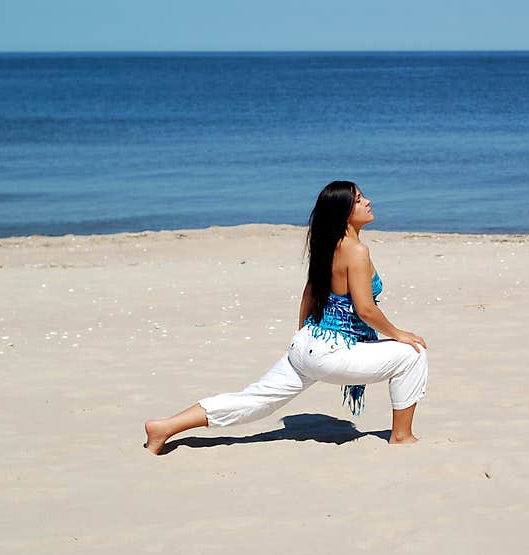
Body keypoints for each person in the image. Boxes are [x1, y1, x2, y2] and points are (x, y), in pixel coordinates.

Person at [143, 181, 428, 454]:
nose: (368, 201)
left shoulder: (327, 245)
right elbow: (366, 310)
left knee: (255, 400)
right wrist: (398, 334)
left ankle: (164, 427)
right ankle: (402, 436)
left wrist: (304, 336)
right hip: (331, 351)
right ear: (344, 213)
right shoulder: (356, 251)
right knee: (412, 354)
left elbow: (309, 294)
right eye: (358, 200)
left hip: (308, 343)